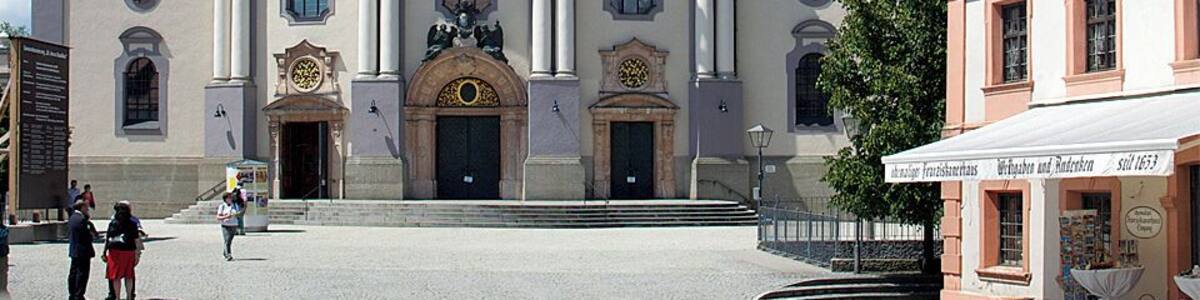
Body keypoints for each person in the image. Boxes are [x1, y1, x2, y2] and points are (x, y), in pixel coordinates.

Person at [103, 202, 142, 300]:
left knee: (116, 277)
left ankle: (117, 297)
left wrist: (104, 252)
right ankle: (129, 296)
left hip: (114, 252)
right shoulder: (132, 224)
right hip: (128, 251)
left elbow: (108, 238)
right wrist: (137, 254)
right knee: (129, 275)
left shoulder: (113, 223)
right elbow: (136, 240)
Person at [66, 200, 97, 300]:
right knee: (82, 274)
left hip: (74, 249)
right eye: (86, 208)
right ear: (81, 208)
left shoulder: (72, 218)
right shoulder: (81, 219)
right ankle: (79, 294)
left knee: (73, 273)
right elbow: (86, 236)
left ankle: (72, 292)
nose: (87, 209)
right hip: (83, 250)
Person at [216, 192, 240, 261]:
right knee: (227, 240)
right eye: (229, 197)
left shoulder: (234, 205)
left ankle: (225, 252)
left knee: (229, 240)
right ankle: (228, 255)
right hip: (225, 225)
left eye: (231, 197)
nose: (231, 199)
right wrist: (226, 216)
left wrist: (236, 214)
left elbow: (238, 213)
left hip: (234, 224)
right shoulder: (222, 206)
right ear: (225, 199)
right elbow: (218, 217)